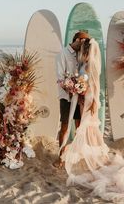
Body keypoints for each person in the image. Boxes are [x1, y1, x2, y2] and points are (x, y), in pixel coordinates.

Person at [61, 38, 124, 203]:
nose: (81, 53)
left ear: (87, 51)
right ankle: (89, 153)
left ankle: (92, 155)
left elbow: (95, 84)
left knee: (89, 127)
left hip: (90, 99)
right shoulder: (84, 64)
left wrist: (93, 100)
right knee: (87, 127)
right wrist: (79, 91)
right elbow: (85, 82)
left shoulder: (90, 65)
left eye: (83, 51)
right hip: (84, 99)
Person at [54, 31, 90, 168]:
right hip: (66, 97)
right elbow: (59, 77)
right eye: (83, 43)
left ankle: (76, 154)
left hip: (80, 96)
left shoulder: (82, 54)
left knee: (79, 126)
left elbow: (85, 73)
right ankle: (60, 156)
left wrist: (81, 87)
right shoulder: (62, 54)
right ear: (78, 40)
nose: (84, 46)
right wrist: (70, 88)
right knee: (64, 126)